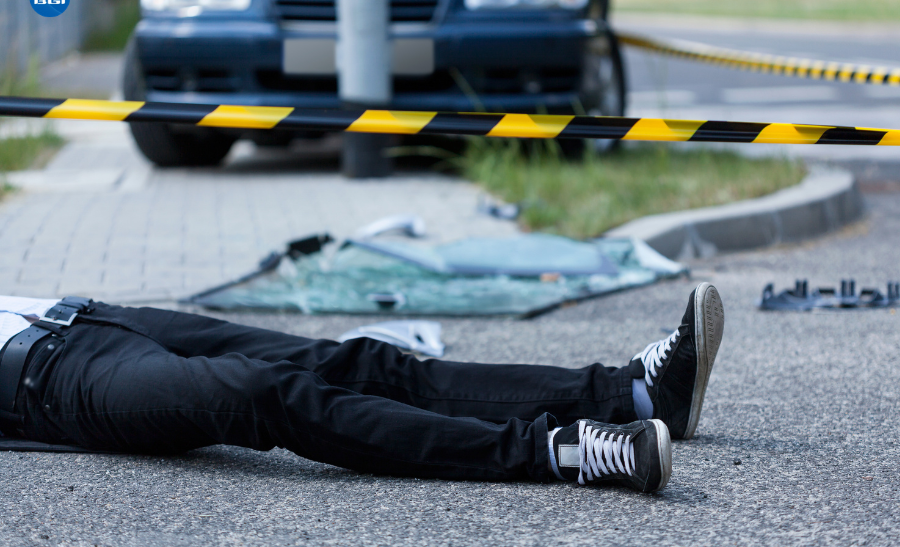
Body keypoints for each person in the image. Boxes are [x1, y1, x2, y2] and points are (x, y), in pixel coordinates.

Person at [0, 283, 724, 493]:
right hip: (48, 381)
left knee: (356, 361)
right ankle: (557, 453)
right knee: (262, 392)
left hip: (80, 314)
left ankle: (633, 394)